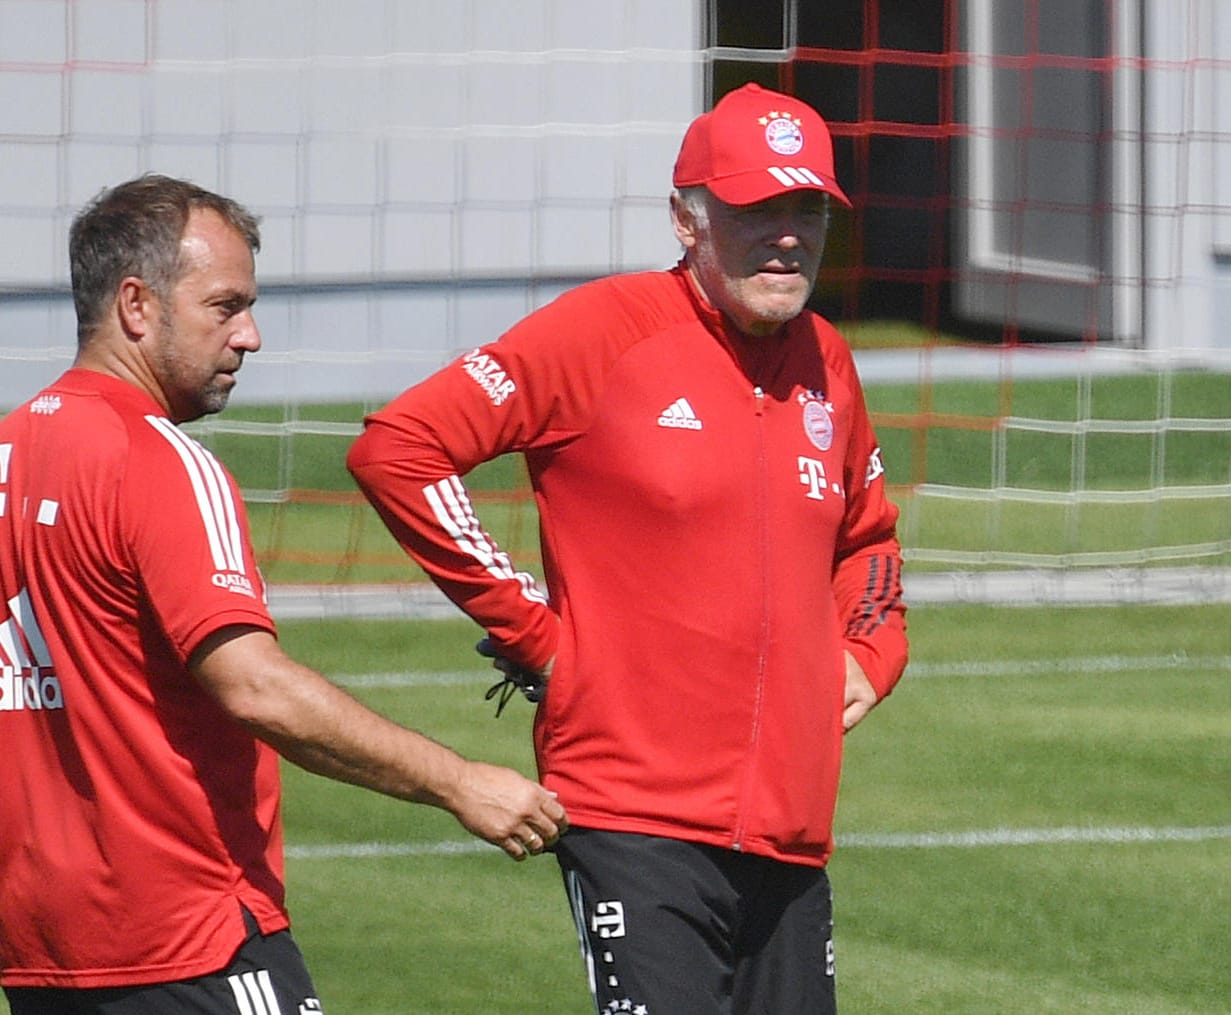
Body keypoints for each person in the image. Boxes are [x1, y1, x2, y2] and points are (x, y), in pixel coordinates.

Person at [346, 81, 909, 1014]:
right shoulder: (600, 331)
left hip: (793, 830)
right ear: (687, 220)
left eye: (806, 208)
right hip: (632, 815)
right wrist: (534, 630)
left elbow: (869, 538)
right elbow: (398, 449)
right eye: (757, 207)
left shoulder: (829, 362)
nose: (786, 234)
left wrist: (870, 652)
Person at [0, 174, 569, 1014]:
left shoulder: (12, 450)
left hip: (43, 952)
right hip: (190, 940)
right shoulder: (159, 463)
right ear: (136, 305)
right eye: (224, 306)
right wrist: (458, 782)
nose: (250, 335)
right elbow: (255, 685)